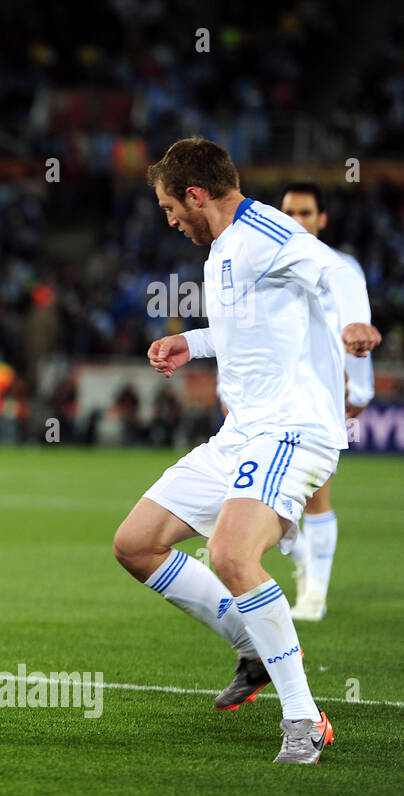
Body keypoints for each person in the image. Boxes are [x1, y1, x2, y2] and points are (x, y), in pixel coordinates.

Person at [112, 138, 380, 763]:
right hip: (243, 433)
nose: (169, 218)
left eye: (169, 206)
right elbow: (251, 327)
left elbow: (338, 271)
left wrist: (355, 321)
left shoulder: (264, 229)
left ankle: (303, 718)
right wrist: (193, 345)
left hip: (293, 428)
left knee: (232, 554)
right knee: (137, 543)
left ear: (196, 194)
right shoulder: (224, 247)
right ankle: (255, 647)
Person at [278, 182, 374, 621]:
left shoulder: (340, 268)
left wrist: (360, 387)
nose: (297, 221)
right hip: (268, 396)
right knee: (262, 500)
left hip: (320, 394)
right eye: (289, 212)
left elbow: (354, 330)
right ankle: (305, 565)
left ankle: (314, 594)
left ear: (322, 219)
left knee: (315, 494)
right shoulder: (269, 261)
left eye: (305, 213)